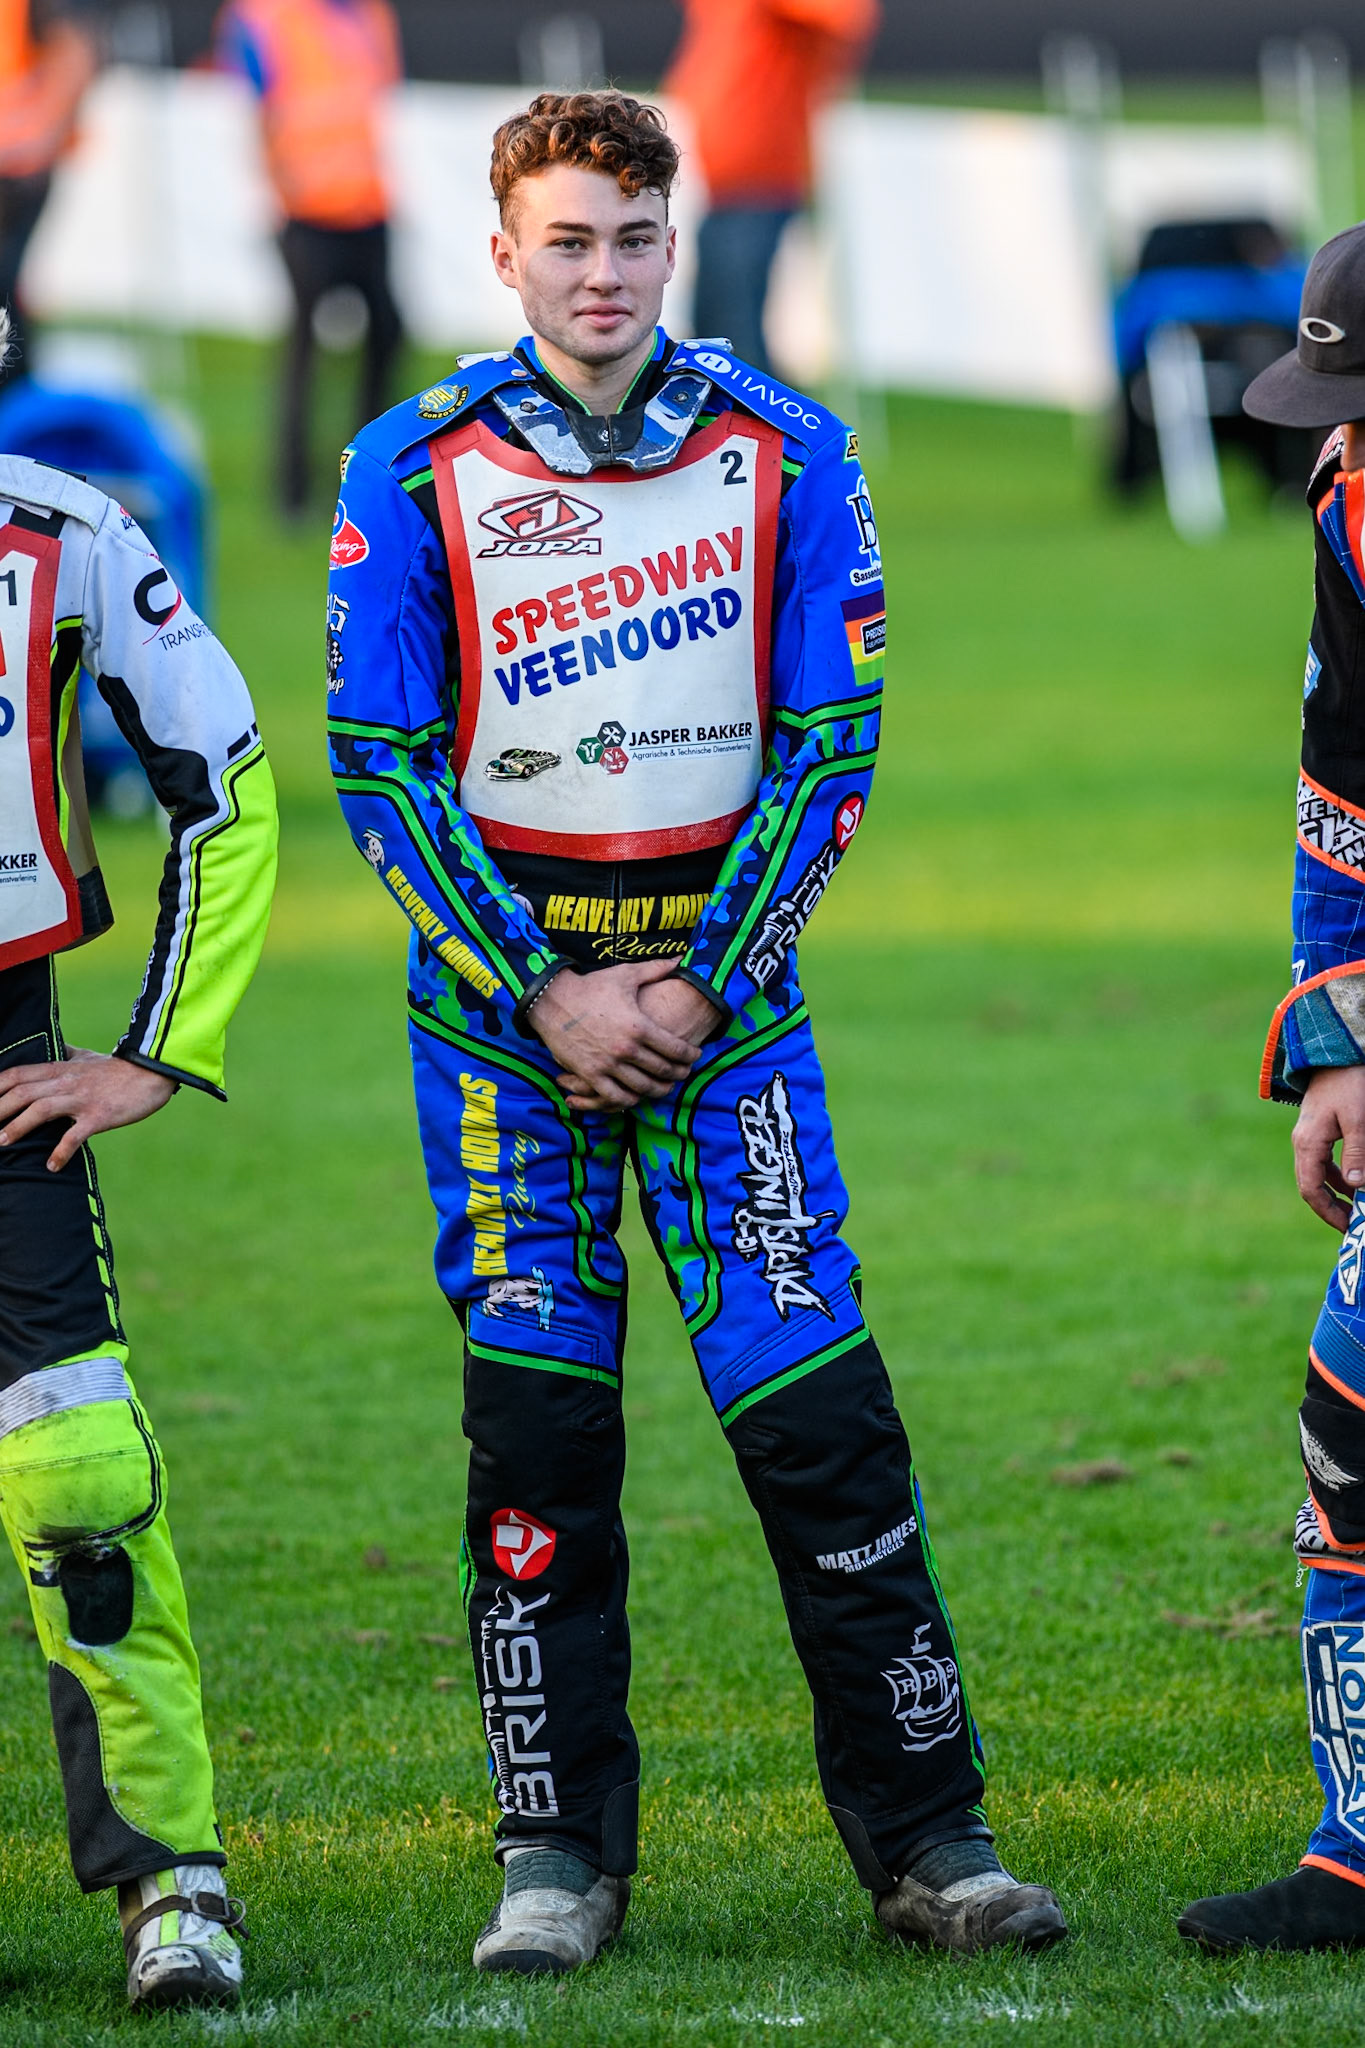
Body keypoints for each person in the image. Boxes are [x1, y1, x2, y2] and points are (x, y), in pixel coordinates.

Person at [327, 89, 1068, 1975]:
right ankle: (555, 1860)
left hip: (722, 1026)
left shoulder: (789, 443)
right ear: (502, 253)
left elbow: (833, 747)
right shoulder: (409, 466)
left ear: (681, 239)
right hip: (509, 1046)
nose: (602, 273)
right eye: (566, 239)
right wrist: (547, 990)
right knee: (536, 1461)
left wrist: (692, 988)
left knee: (826, 1434)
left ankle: (935, 1840)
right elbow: (380, 765)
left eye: (634, 237)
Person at [0, 312, 278, 2007]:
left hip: (8, 1071)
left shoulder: (68, 531)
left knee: (80, 1472)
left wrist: (159, 1045)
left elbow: (225, 783)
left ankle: (170, 1882)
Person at [1180, 222, 1365, 1953]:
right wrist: (1336, 1037)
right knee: (1352, 1433)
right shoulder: (1352, 502)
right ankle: (1358, 1852)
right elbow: (1343, 774)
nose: (1346, 436)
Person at [212, 0, 404, 515]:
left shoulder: (370, 16)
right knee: (304, 346)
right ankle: (292, 489)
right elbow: (253, 100)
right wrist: (276, 187)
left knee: (388, 331)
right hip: (307, 209)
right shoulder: (268, 17)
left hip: (367, 204)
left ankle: (375, 464)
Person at [665, 0, 878, 375]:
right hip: (724, 187)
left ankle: (776, 425)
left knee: (734, 332)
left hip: (762, 183)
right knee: (711, 327)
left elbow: (847, 15)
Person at [0, 0, 99, 383]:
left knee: (5, 299)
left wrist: (39, 140)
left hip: (17, 172)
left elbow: (76, 53)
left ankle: (17, 416)